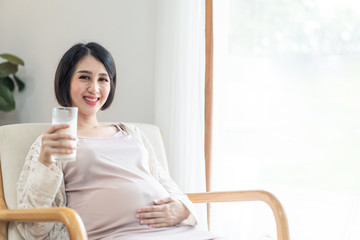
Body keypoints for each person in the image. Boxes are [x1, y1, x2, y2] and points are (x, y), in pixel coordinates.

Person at [16, 42, 217, 240]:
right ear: (66, 81)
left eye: (103, 79)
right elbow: (33, 227)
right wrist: (45, 161)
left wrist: (182, 210)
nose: (94, 88)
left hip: (176, 233)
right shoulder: (52, 143)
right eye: (84, 77)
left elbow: (169, 187)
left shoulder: (131, 133)